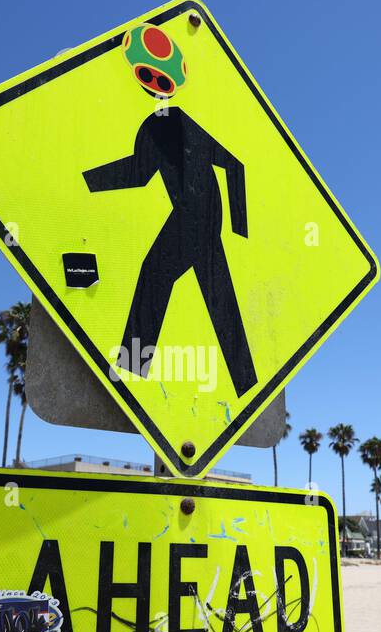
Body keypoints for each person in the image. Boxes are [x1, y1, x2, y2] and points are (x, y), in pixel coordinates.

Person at [82, 23, 256, 396]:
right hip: (195, 216)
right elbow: (139, 173)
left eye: (156, 76)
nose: (149, 83)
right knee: (215, 294)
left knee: (155, 274)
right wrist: (86, 181)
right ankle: (245, 380)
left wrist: (240, 229)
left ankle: (131, 366)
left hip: (200, 214)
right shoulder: (152, 127)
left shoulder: (180, 121)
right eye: (144, 75)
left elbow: (235, 166)